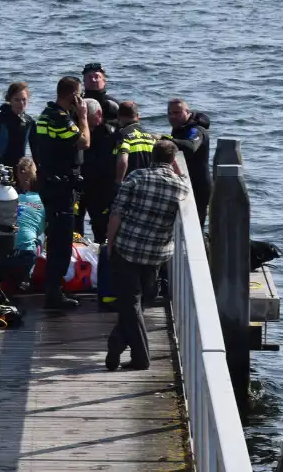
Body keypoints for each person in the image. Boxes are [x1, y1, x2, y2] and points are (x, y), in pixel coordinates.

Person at [105, 140, 190, 371]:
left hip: (128, 248)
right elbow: (183, 182)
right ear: (172, 160)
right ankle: (116, 345)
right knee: (142, 301)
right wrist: (177, 171)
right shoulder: (181, 187)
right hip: (157, 253)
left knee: (131, 302)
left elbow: (116, 214)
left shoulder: (136, 177)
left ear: (152, 156)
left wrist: (110, 244)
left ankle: (139, 357)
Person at [32, 76, 91, 309]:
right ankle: (54, 291)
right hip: (60, 187)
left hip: (49, 183)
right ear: (73, 96)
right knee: (62, 239)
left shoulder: (44, 116)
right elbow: (84, 142)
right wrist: (83, 117)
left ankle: (52, 287)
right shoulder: (60, 118)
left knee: (55, 236)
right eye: (80, 95)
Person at [0, 156, 44, 292]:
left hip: (3, 256)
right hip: (25, 258)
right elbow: (40, 230)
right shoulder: (41, 200)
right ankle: (26, 277)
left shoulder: (10, 196)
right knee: (39, 234)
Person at [77, 98, 118, 243]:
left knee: (101, 230)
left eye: (88, 119)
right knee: (75, 229)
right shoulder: (76, 130)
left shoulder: (111, 133)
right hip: (79, 188)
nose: (85, 123)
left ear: (99, 114)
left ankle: (103, 259)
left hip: (101, 190)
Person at [168, 98, 212, 227]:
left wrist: (167, 140)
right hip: (184, 183)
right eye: (170, 113)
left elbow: (190, 146)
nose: (172, 117)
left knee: (196, 226)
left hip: (199, 187)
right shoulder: (178, 129)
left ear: (187, 112)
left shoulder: (196, 130)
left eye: (177, 112)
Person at [0, 81, 34, 168]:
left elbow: (36, 150)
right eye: (17, 100)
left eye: (24, 99)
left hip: (20, 168)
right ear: (9, 100)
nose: (21, 103)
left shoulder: (29, 122)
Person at [113, 101, 156, 184]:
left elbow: (123, 161)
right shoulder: (150, 137)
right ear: (138, 117)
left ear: (118, 117)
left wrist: (118, 181)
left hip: (131, 183)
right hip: (149, 183)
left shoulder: (122, 135)